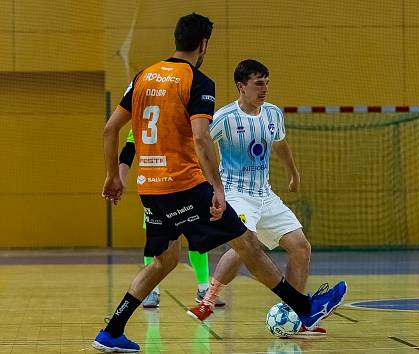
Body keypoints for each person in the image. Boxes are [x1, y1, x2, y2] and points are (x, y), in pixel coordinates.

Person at [93, 13, 347, 352]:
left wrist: (113, 176)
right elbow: (201, 139)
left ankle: (111, 331)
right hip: (183, 185)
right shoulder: (196, 81)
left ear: (177, 38)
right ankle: (305, 308)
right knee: (247, 244)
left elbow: (111, 129)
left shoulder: (142, 77)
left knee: (164, 261)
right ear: (203, 45)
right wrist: (216, 187)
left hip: (150, 187)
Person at [187, 59, 323, 337]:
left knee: (301, 247)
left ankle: (298, 315)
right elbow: (197, 146)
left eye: (267, 82)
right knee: (242, 245)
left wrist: (294, 174)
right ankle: (208, 301)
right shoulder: (225, 118)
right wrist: (208, 187)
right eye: (258, 83)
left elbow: (281, 144)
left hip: (265, 194)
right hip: (236, 193)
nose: (264, 88)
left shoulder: (273, 114)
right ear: (241, 86)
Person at [118, 129, 226, 308]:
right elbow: (128, 150)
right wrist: (120, 178)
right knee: (154, 241)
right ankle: (152, 291)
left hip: (185, 185)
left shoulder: (183, 117)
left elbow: (201, 146)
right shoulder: (141, 120)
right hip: (155, 188)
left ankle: (203, 289)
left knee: (197, 237)